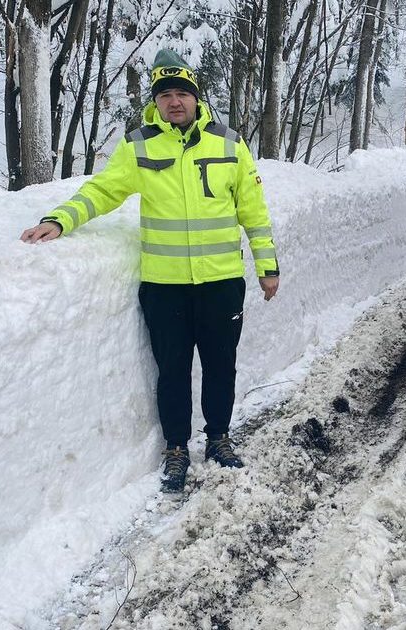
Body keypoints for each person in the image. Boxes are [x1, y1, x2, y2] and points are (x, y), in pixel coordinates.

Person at [20, 50, 280, 493]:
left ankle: (218, 437)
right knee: (173, 369)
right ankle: (176, 448)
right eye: (166, 95)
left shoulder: (229, 142)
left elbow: (253, 211)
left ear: (197, 99)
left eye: (182, 93)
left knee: (221, 365)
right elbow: (103, 190)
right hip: (166, 287)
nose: (175, 102)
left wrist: (267, 266)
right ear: (155, 102)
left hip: (221, 282)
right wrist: (59, 219)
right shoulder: (139, 145)